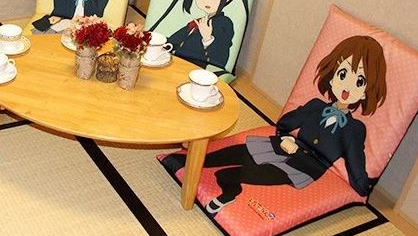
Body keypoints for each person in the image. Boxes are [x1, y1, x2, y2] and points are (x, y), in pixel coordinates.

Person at [161, 35, 387, 215]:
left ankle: (228, 194)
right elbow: (285, 123)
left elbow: (356, 164)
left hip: (299, 170)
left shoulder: (354, 129)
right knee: (213, 158)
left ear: (367, 91)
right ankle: (185, 163)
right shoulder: (316, 105)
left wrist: (363, 188)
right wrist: (285, 137)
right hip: (278, 147)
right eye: (343, 73)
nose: (347, 86)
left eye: (359, 81)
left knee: (228, 175)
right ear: (333, 73)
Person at [149, 0, 248, 71]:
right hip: (173, 62)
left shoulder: (224, 23)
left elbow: (220, 60)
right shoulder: (197, 23)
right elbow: (173, 41)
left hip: (194, 71)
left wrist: (208, 38)